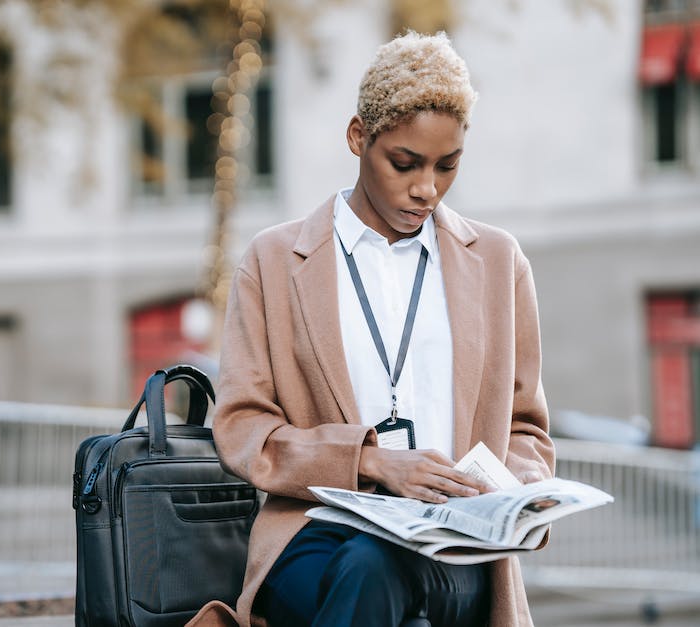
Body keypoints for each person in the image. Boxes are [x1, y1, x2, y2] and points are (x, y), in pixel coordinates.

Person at [189, 31, 554, 627]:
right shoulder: (274, 261)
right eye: (404, 163)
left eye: (448, 166)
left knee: (375, 568)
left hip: (453, 552)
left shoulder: (498, 263)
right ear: (359, 138)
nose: (426, 189)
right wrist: (369, 463)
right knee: (367, 565)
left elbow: (527, 430)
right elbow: (242, 426)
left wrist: (510, 488)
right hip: (311, 534)